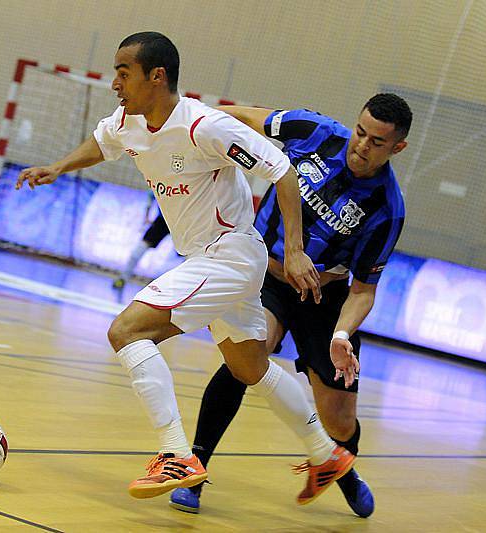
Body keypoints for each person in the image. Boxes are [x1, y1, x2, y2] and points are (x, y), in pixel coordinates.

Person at [16, 31, 355, 504]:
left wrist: (295, 249)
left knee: (127, 331)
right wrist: (56, 167)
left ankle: (176, 453)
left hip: (230, 253)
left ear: (157, 76)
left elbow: (282, 170)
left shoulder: (204, 127)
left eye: (123, 72)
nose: (115, 83)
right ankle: (326, 454)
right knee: (252, 367)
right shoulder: (127, 121)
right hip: (206, 258)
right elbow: (101, 142)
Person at [169, 94, 411, 517]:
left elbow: (363, 289)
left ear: (397, 148)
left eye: (377, 142)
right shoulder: (313, 131)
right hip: (264, 273)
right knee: (248, 356)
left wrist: (340, 335)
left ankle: (338, 468)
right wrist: (188, 130)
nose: (361, 146)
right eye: (360, 132)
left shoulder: (387, 209)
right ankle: (195, 465)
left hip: (324, 298)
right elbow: (236, 115)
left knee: (339, 421)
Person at [113, 209, 170, 289]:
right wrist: (146, 216)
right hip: (161, 223)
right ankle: (123, 279)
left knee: (184, 259)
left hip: (181, 228)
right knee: (136, 254)